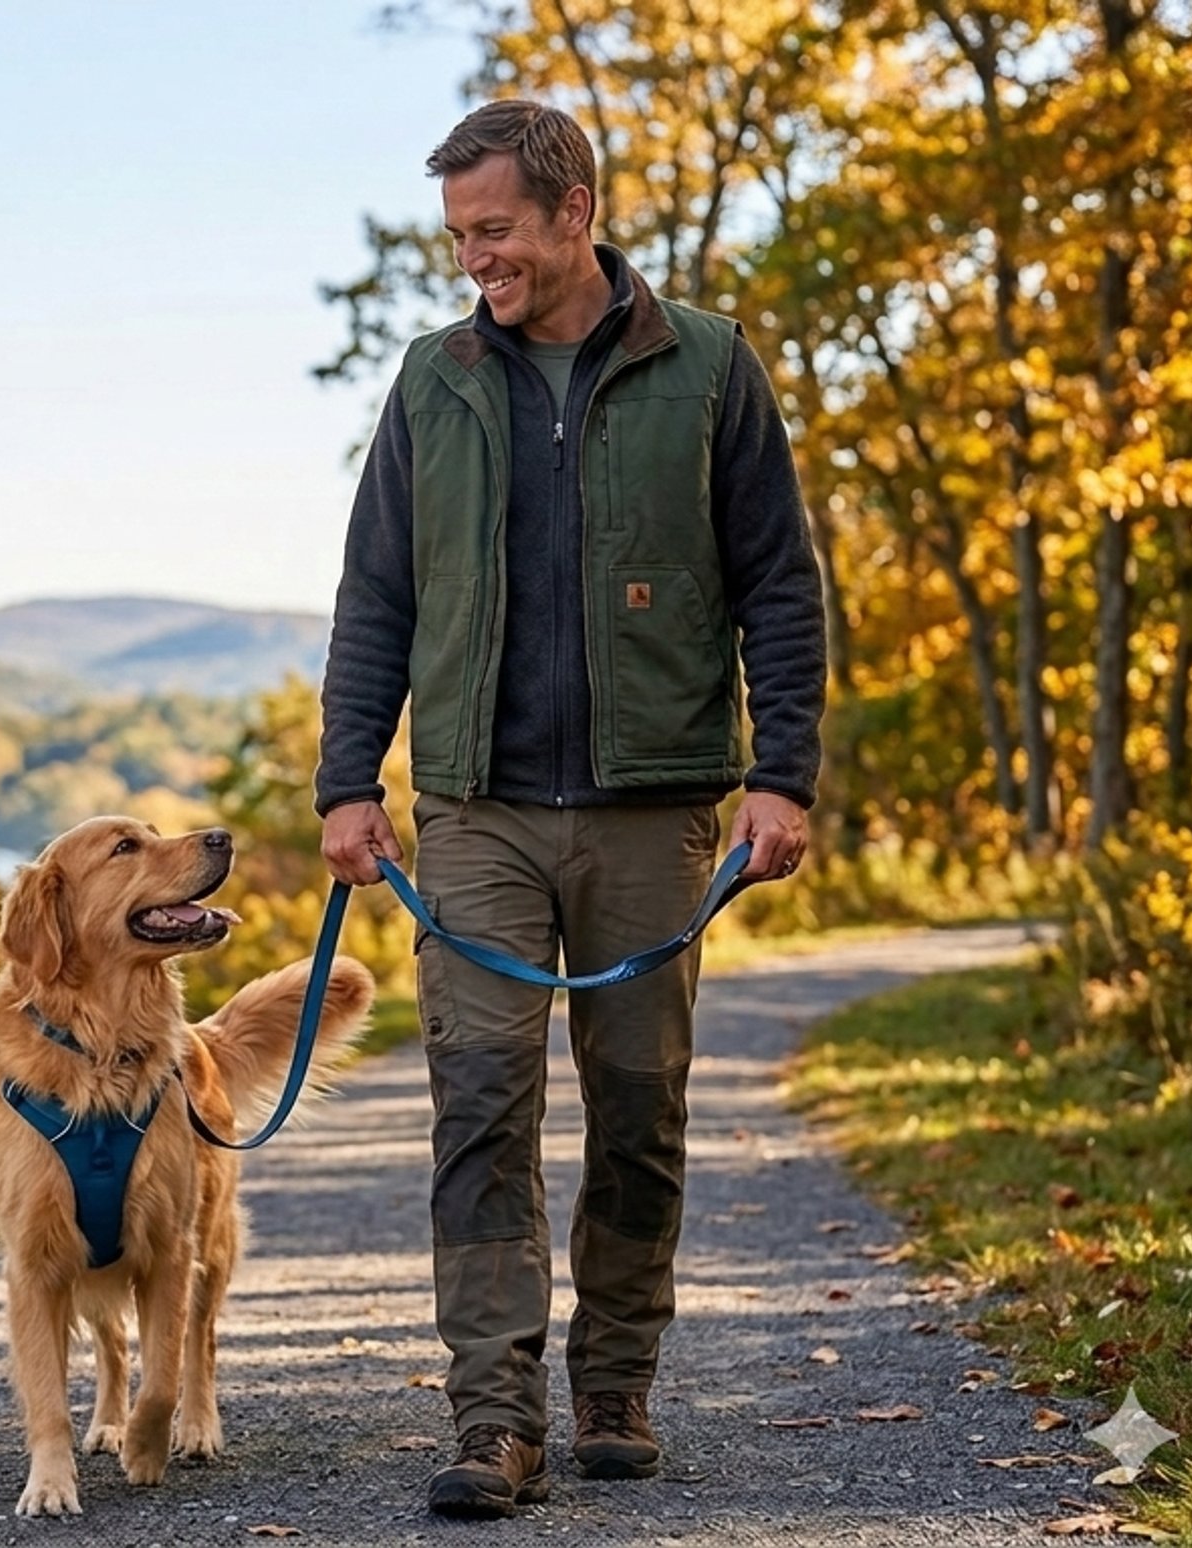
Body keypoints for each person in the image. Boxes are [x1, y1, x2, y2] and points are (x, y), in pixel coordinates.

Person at [315, 100, 827, 1520]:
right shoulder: (432, 384)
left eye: (496, 232)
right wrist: (348, 781)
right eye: (460, 237)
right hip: (474, 810)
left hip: (652, 809)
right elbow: (378, 596)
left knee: (640, 1111)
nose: (476, 260)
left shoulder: (710, 368)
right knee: (479, 1104)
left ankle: (612, 1387)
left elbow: (781, 586)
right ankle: (494, 1418)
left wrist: (783, 771)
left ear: (574, 212)